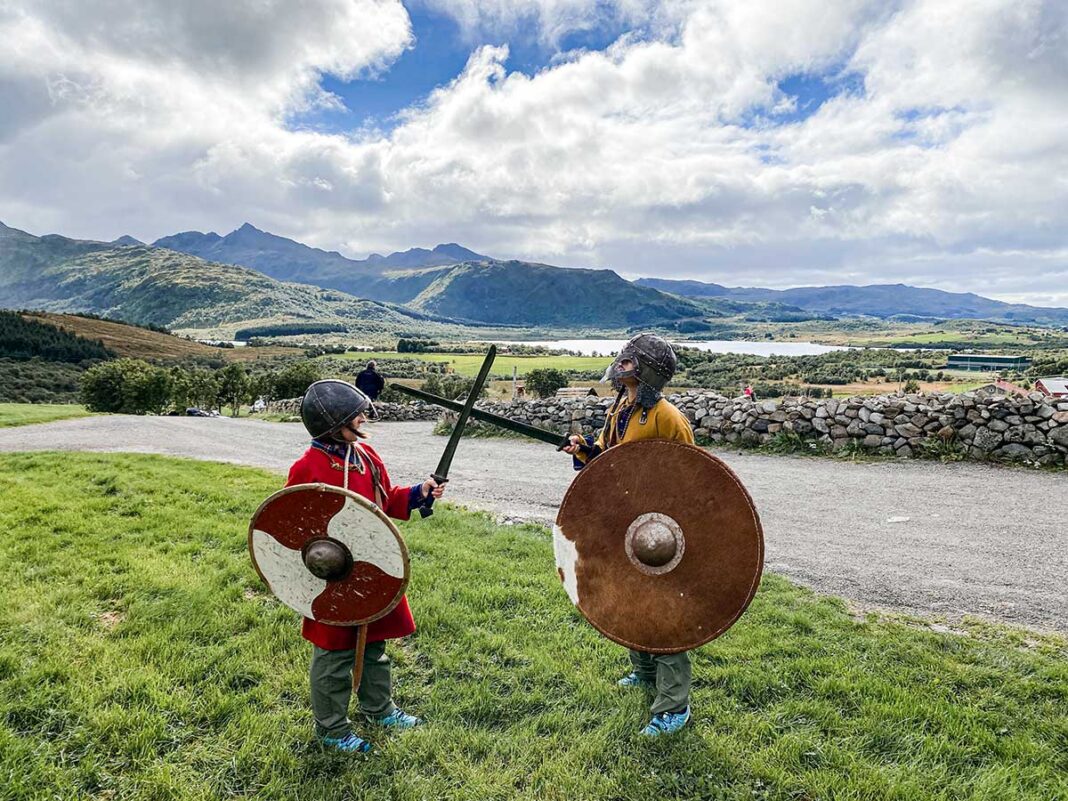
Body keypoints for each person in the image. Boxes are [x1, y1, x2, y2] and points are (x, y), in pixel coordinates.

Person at [287, 379, 444, 753]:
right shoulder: (308, 468)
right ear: (334, 423)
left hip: (370, 570)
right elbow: (293, 529)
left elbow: (385, 502)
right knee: (334, 652)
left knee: (374, 643)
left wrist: (419, 493)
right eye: (354, 414)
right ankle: (332, 728)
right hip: (332, 578)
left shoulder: (366, 457)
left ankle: (379, 709)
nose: (362, 417)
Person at [562, 333, 696, 737]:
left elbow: (693, 476)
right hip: (627, 523)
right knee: (632, 601)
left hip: (661, 530)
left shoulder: (667, 417)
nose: (621, 364)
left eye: (629, 361)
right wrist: (584, 449)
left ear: (646, 370)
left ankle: (674, 706)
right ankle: (643, 671)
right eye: (623, 360)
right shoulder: (622, 405)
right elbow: (609, 454)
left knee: (665, 613)